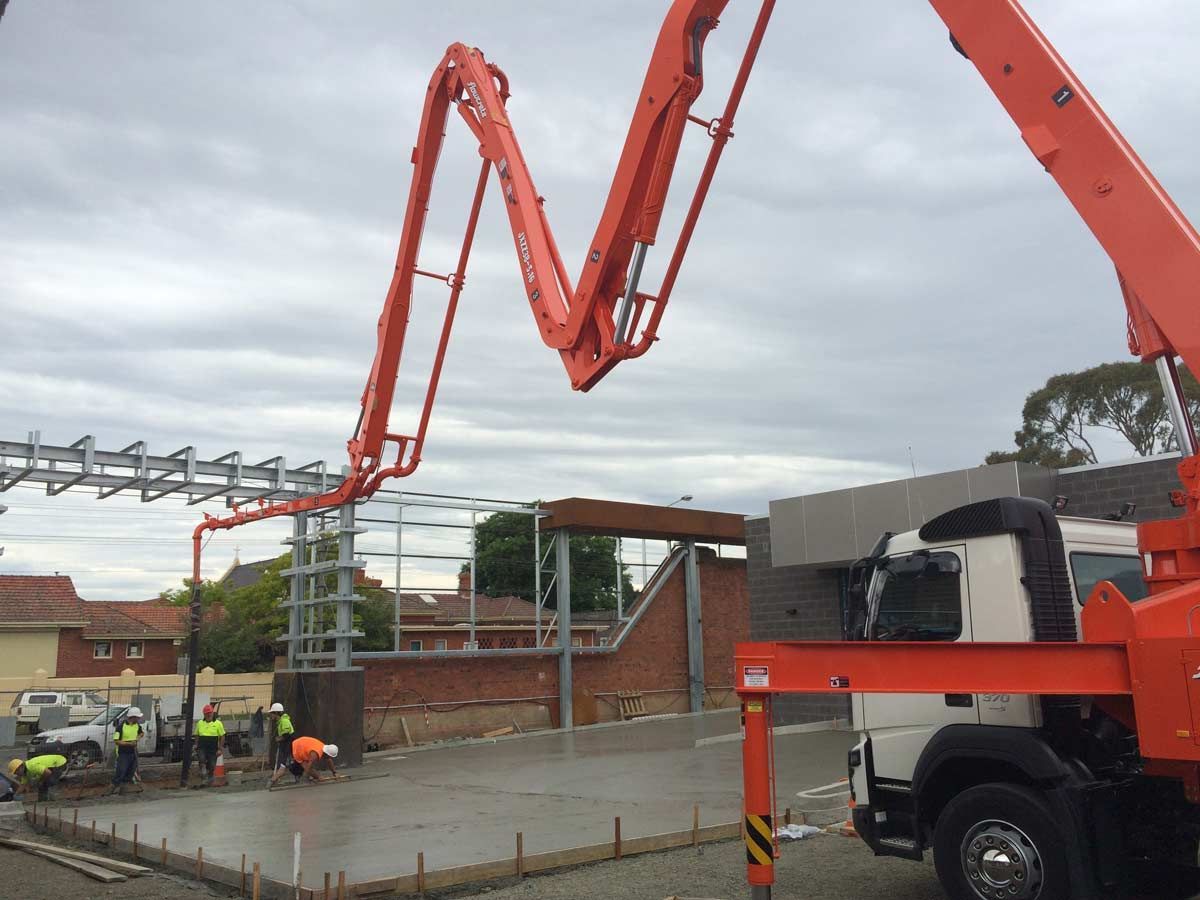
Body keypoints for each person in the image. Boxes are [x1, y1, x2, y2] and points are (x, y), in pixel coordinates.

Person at [269, 736, 337, 786]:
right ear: (326, 753)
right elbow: (308, 768)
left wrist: (334, 773)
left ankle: (300, 777)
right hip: (295, 748)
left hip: (302, 747)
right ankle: (272, 781)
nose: (329, 758)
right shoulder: (315, 754)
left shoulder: (323, 747)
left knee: (304, 767)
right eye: (329, 756)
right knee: (283, 767)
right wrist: (315, 777)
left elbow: (329, 760)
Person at [109, 706, 144, 794]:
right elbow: (116, 741)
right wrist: (129, 743)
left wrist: (138, 738)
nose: (139, 718)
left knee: (131, 771)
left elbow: (141, 733)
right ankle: (111, 788)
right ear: (133, 717)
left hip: (133, 752)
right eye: (138, 717)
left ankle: (123, 789)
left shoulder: (137, 726)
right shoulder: (121, 727)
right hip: (123, 753)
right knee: (121, 771)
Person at [194, 704, 225, 787]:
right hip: (202, 746)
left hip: (213, 748)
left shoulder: (218, 723)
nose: (208, 715)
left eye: (209, 713)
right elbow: (197, 735)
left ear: (212, 713)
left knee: (212, 765)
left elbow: (222, 736)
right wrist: (196, 744)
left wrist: (220, 749)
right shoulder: (200, 723)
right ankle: (204, 776)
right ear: (204, 714)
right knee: (202, 760)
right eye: (206, 713)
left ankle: (210, 777)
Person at [268, 702, 295, 779]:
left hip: (289, 745)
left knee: (285, 762)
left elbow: (287, 735)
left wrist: (279, 738)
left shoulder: (284, 721)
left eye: (272, 713)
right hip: (285, 745)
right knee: (287, 762)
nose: (271, 715)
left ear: (276, 713)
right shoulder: (280, 722)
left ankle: (274, 779)